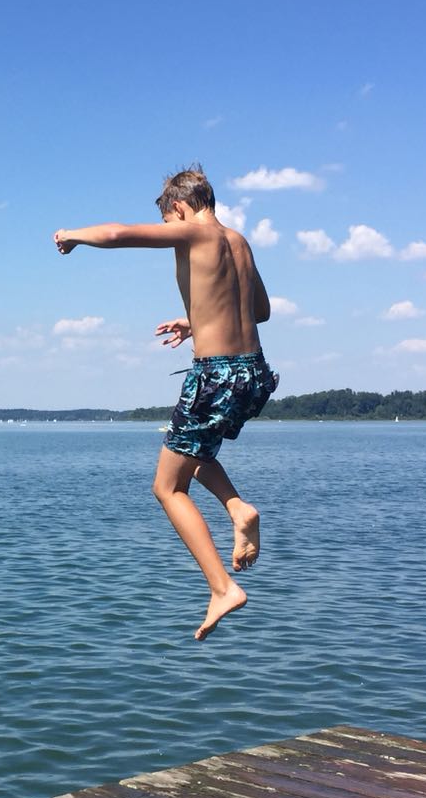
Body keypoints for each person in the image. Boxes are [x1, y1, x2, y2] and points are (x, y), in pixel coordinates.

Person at [55, 166, 277, 641]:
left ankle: (222, 588)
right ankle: (237, 508)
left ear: (178, 207)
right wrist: (196, 320)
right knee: (193, 454)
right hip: (253, 373)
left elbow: (116, 234)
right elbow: (259, 311)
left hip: (215, 373)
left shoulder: (191, 232)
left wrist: (73, 235)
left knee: (166, 488)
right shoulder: (239, 241)